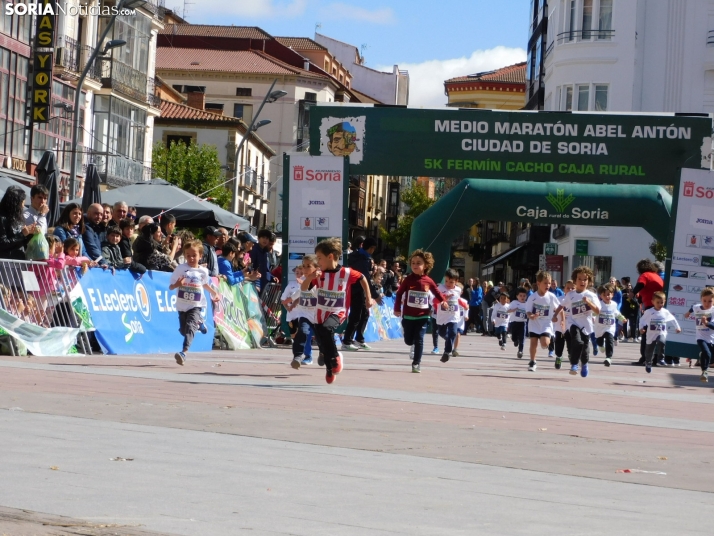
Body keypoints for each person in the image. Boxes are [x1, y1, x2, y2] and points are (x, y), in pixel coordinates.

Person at [300, 238, 373, 384]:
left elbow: (363, 278)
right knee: (322, 339)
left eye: (319, 258)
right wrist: (310, 277)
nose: (318, 262)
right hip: (320, 313)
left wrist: (368, 297)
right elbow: (304, 288)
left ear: (330, 256)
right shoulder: (318, 274)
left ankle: (335, 358)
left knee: (327, 330)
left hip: (338, 312)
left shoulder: (346, 273)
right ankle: (329, 367)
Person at [394, 249, 446, 373]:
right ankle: (411, 343)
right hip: (408, 316)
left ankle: (416, 363)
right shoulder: (408, 280)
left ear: (425, 266)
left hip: (423, 316)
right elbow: (399, 293)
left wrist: (443, 301)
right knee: (408, 340)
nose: (415, 265)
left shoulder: (428, 281)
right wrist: (396, 308)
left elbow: (437, 292)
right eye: (413, 263)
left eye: (418, 263)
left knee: (419, 339)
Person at [168, 239, 219, 365]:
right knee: (184, 331)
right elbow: (170, 286)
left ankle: (183, 352)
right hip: (182, 305)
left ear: (200, 256)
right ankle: (200, 322)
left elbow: (205, 284)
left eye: (194, 255)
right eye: (188, 256)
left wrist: (214, 293)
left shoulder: (203, 271)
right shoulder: (180, 269)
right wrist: (177, 284)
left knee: (190, 327)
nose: (191, 258)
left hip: (196, 305)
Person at [553, 266, 601, 377]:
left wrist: (589, 302)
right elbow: (561, 305)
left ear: (589, 281)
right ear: (575, 280)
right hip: (573, 322)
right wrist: (555, 315)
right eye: (579, 279)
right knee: (577, 341)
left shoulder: (591, 295)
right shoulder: (571, 295)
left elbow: (598, 311)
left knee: (584, 350)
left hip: (586, 325)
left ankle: (584, 364)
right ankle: (574, 364)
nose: (582, 281)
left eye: (585, 279)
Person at [343, 236, 379, 351]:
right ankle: (347, 341)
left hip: (363, 291)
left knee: (365, 314)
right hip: (355, 290)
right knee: (356, 316)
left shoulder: (366, 258)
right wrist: (375, 295)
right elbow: (365, 278)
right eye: (372, 248)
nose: (372, 251)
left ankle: (359, 339)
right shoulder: (358, 258)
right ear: (369, 247)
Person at [524, 270, 561, 372]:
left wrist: (559, 318)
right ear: (538, 283)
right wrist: (532, 315)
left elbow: (559, 308)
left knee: (544, 344)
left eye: (549, 283)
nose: (548, 285)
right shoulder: (532, 297)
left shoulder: (551, 297)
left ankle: (550, 338)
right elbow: (528, 311)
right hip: (534, 323)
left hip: (546, 323)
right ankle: (532, 361)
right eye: (545, 283)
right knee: (533, 343)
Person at [632, 259, 664, 365]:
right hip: (659, 307)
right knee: (656, 333)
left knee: (645, 332)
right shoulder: (656, 276)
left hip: (650, 307)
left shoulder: (645, 275)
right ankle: (655, 358)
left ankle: (644, 358)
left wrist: (632, 293)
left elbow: (640, 285)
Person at [639, 291, 681, 373]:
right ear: (653, 302)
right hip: (651, 335)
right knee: (649, 350)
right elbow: (642, 320)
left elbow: (673, 319)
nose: (660, 304)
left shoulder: (665, 312)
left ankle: (661, 358)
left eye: (662, 302)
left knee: (662, 342)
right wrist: (641, 328)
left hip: (661, 332)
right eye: (657, 302)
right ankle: (648, 362)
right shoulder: (649, 312)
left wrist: (677, 327)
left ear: (664, 302)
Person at [291, 254, 319, 368]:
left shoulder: (321, 280)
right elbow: (301, 291)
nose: (305, 269)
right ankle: (298, 356)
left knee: (323, 337)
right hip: (305, 314)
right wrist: (291, 301)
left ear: (316, 268)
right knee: (302, 332)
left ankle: (324, 354)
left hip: (318, 315)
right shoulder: (303, 281)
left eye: (308, 266)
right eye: (304, 266)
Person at [684, 288, 714, 381]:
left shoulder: (713, 311)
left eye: (710, 301)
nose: (707, 303)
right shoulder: (697, 307)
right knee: (707, 353)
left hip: (711, 338)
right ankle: (704, 371)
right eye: (704, 301)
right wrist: (688, 313)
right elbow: (692, 307)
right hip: (700, 337)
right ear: (701, 299)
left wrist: (707, 323)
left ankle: (702, 356)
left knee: (709, 356)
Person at [435, 269, 463, 363]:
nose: (448, 284)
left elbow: (458, 300)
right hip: (442, 316)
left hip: (453, 316)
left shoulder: (458, 290)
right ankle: (449, 341)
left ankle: (447, 352)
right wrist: (443, 299)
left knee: (453, 332)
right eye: (446, 281)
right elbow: (434, 300)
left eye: (451, 282)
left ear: (456, 281)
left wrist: (464, 305)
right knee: (442, 333)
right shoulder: (440, 288)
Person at [0, 186, 35, 260]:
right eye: (21, 203)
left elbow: (22, 243)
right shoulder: (2, 218)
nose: (23, 206)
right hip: (6, 262)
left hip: (20, 259)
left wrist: (30, 234)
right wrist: (22, 234)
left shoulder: (18, 218)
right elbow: (2, 243)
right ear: (15, 203)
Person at [595, 283, 625, 367]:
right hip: (599, 327)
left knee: (609, 340)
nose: (606, 297)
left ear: (612, 295)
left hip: (609, 327)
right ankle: (601, 345)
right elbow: (594, 312)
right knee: (599, 341)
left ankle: (608, 357)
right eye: (604, 295)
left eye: (608, 294)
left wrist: (622, 318)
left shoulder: (614, 305)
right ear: (600, 296)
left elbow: (616, 313)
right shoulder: (599, 304)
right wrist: (592, 317)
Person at [285, 265, 307, 369]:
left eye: (301, 273)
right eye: (297, 273)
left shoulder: (310, 283)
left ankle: (317, 354)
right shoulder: (291, 285)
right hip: (294, 315)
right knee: (296, 337)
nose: (299, 275)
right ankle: (297, 357)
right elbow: (286, 298)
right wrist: (288, 305)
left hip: (306, 314)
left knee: (304, 334)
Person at [507, 287, 528, 358]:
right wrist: (513, 310)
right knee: (514, 337)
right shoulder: (514, 303)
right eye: (520, 296)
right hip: (514, 322)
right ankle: (515, 341)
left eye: (524, 296)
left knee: (522, 338)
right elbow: (508, 310)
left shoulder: (527, 304)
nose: (522, 297)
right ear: (517, 296)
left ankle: (520, 351)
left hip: (523, 323)